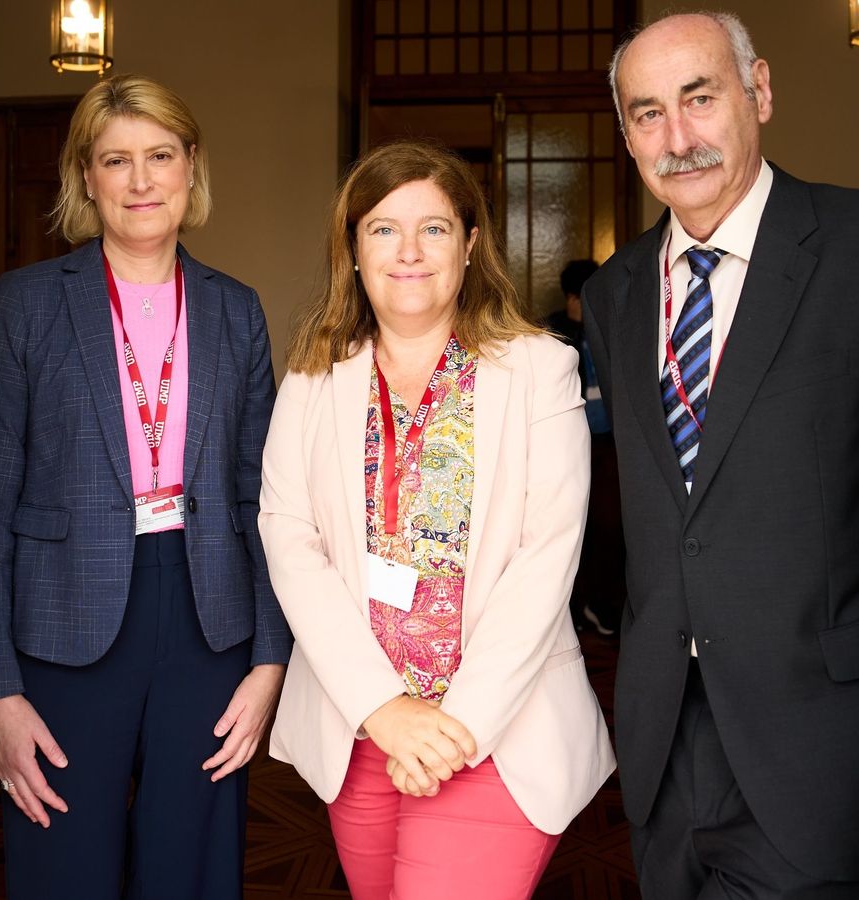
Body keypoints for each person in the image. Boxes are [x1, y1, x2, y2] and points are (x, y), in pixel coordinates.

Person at [584, 12, 859, 899]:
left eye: (699, 98)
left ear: (759, 91)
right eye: (648, 114)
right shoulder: (614, 294)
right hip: (665, 748)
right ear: (627, 134)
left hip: (824, 742)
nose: (677, 137)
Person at [0, 75, 289, 899]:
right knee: (62, 864)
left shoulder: (236, 310)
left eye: (160, 156)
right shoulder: (28, 305)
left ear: (190, 166)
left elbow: (265, 498)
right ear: (87, 176)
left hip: (210, 623)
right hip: (61, 626)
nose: (141, 180)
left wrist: (271, 660)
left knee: (191, 869)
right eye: (116, 160)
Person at [259, 140, 615, 900]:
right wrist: (383, 710)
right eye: (384, 229)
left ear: (471, 244)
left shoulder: (540, 368)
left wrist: (456, 730)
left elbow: (546, 556)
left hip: (496, 729)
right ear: (354, 249)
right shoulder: (313, 378)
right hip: (361, 726)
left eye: (434, 228)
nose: (409, 251)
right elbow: (289, 539)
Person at [544, 259, 623, 636]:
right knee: (566, 525)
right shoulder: (553, 332)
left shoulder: (612, 325)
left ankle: (602, 603)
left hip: (609, 441)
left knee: (610, 525)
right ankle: (571, 608)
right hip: (567, 443)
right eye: (578, 298)